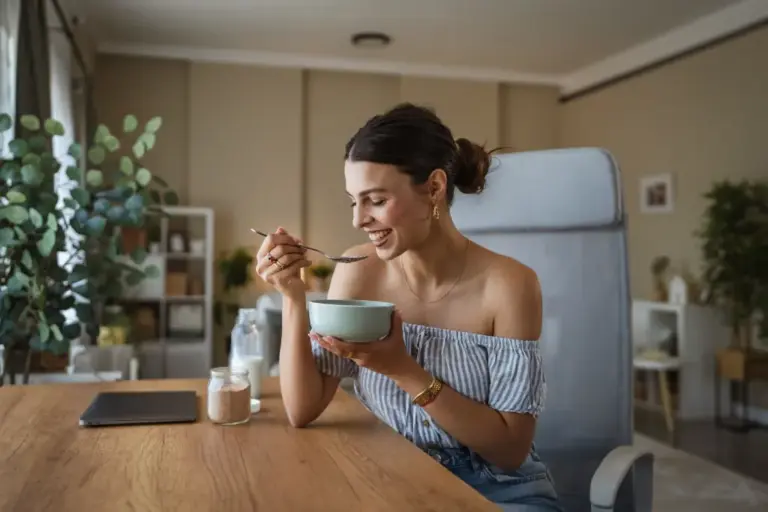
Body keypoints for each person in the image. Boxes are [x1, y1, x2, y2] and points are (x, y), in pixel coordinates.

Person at [255, 103, 562, 511]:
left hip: (498, 490)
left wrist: (404, 370)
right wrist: (292, 295)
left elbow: (510, 450)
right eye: (353, 201)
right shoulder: (359, 272)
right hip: (393, 478)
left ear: (434, 188)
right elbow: (302, 409)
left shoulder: (509, 286)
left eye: (376, 200)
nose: (359, 219)